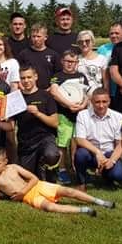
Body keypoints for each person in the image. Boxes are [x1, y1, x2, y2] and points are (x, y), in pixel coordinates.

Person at [0, 148, 115, 215]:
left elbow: (34, 178)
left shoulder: (14, 167)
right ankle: (84, 210)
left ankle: (100, 202)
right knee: (49, 207)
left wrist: (22, 192)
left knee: (68, 191)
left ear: (5, 161)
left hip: (38, 186)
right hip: (29, 197)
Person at [0, 65, 59, 181]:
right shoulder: (15, 98)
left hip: (45, 139)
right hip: (26, 144)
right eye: (23, 78)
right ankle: (39, 169)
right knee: (26, 180)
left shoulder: (46, 96)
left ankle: (49, 172)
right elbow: (10, 126)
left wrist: (38, 114)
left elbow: (55, 123)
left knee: (51, 155)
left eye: (29, 77)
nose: (26, 81)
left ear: (36, 77)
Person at [74, 88, 122, 191]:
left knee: (119, 175)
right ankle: (81, 182)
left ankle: (106, 176)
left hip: (109, 153)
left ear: (109, 101)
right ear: (91, 102)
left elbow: (120, 144)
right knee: (80, 154)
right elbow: (80, 139)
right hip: (90, 153)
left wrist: (112, 160)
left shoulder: (118, 117)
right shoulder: (83, 115)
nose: (101, 105)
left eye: (104, 102)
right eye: (97, 102)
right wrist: (97, 152)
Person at [49, 50, 90, 185]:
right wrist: (69, 105)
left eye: (73, 62)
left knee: (78, 143)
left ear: (77, 62)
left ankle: (76, 169)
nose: (70, 64)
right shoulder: (57, 76)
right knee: (62, 144)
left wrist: (83, 105)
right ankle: (62, 170)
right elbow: (54, 92)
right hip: (63, 115)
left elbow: (87, 93)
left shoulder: (81, 76)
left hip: (80, 115)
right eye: (67, 61)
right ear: (62, 61)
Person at [18, 24, 59, 90]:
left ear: (45, 37)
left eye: (38, 36)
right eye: (33, 36)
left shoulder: (53, 55)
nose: (36, 39)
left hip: (48, 91)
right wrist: (24, 88)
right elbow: (18, 73)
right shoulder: (23, 54)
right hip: (29, 91)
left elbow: (57, 74)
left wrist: (51, 87)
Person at [97, 22, 122, 98]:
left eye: (117, 33)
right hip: (106, 89)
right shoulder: (102, 49)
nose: (113, 36)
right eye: (111, 33)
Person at [76, 30, 108, 94]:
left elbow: (106, 82)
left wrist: (106, 95)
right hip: (80, 95)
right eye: (81, 42)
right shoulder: (75, 59)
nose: (84, 44)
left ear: (93, 42)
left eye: (87, 41)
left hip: (97, 95)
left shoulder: (102, 59)